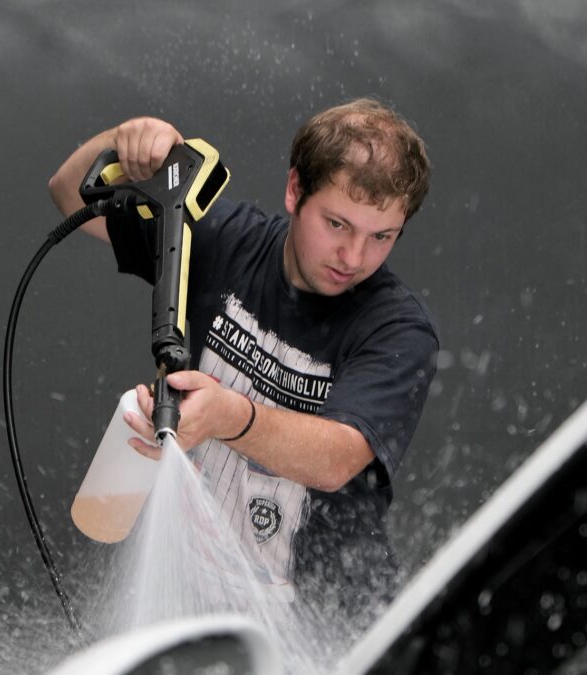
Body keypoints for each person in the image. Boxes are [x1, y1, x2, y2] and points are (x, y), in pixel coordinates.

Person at [48, 98, 438, 627]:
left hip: (334, 626)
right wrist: (125, 140)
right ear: (295, 189)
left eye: (381, 237)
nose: (354, 257)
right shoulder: (221, 239)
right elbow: (68, 194)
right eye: (338, 224)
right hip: (199, 608)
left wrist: (231, 417)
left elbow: (337, 459)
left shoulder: (397, 328)